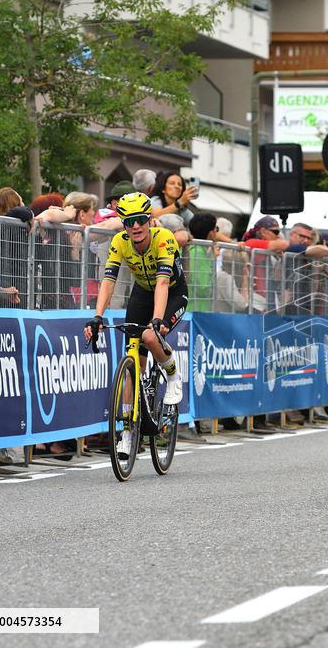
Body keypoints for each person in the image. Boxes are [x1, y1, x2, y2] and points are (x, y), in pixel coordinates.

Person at [83, 193, 186, 458]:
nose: (136, 227)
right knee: (132, 365)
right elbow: (108, 281)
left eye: (141, 220)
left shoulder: (164, 239)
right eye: (129, 222)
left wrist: (158, 320)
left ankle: (173, 375)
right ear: (123, 223)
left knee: (151, 338)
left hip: (172, 293)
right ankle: (127, 433)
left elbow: (163, 284)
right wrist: (97, 316)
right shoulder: (120, 242)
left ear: (150, 220)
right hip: (141, 294)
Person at [186, 212, 218, 310]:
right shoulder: (198, 252)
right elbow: (203, 288)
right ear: (211, 233)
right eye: (216, 229)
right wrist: (214, 260)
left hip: (194, 308)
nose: (217, 232)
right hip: (197, 310)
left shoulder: (193, 249)